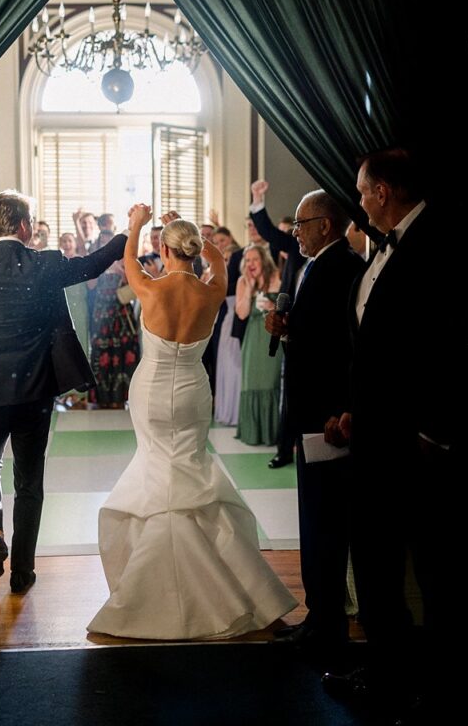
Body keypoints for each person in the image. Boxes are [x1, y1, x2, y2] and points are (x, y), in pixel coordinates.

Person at [88, 206, 297, 639]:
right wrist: (186, 231)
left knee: (157, 473)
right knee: (191, 471)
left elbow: (128, 257)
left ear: (162, 249)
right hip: (194, 392)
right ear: (196, 251)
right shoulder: (212, 288)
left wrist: (138, 224)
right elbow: (220, 259)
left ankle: (153, 587)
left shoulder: (148, 286)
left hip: (151, 392)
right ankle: (244, 588)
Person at [320, 150, 468, 719]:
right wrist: (355, 410)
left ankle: (437, 690)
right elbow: (380, 349)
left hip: (416, 441)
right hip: (376, 433)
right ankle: (386, 672)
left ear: (384, 191)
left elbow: (445, 344)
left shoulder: (439, 238)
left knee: (434, 570)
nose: (359, 201)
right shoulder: (385, 247)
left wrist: (434, 432)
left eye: (363, 191)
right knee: (377, 563)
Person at [0, 194, 127, 594]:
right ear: (25, 226)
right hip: (34, 390)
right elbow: (94, 264)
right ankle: (23, 573)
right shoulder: (46, 263)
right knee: (30, 482)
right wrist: (128, 233)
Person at [262, 190, 364, 651]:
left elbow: (348, 349)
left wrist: (342, 407)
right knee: (313, 516)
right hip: (310, 412)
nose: (295, 232)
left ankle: (329, 624)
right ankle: (319, 614)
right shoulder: (313, 266)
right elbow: (314, 335)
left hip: (329, 417)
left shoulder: (343, 268)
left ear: (325, 224)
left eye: (301, 223)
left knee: (325, 519)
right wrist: (287, 329)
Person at [249, 179, 306, 468]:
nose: (297, 232)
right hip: (287, 331)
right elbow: (269, 232)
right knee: (288, 394)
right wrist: (257, 200)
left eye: (301, 225)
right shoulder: (297, 248)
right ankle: (284, 450)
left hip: (312, 334)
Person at [234, 244, 282, 445]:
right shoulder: (242, 281)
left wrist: (274, 306)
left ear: (264, 259)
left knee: (271, 382)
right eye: (248, 260)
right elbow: (242, 313)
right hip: (252, 338)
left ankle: (273, 433)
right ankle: (253, 433)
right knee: (251, 383)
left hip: (272, 338)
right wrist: (250, 288)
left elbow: (289, 306)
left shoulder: (277, 276)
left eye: (255, 259)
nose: (251, 263)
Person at [89, 232, 140, 409]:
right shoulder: (94, 259)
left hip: (122, 313)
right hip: (101, 311)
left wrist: (121, 268)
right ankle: (102, 397)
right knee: (101, 351)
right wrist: (102, 265)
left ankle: (121, 396)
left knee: (123, 352)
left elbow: (134, 285)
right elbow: (90, 285)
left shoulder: (126, 259)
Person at [211, 227, 243, 425]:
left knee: (234, 366)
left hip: (233, 318)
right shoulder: (216, 269)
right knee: (222, 365)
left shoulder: (236, 278)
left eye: (222, 240)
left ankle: (235, 410)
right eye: (217, 242)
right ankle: (223, 407)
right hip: (222, 321)